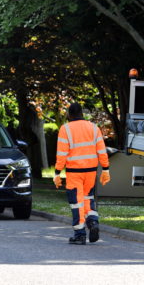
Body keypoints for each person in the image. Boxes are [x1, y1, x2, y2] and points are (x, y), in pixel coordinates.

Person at [53, 103, 110, 245]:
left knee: (76, 203)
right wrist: (105, 169)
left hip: (74, 173)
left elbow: (61, 153)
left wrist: (57, 172)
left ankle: (79, 235)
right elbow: (102, 150)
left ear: (69, 114)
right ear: (82, 113)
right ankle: (92, 222)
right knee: (87, 198)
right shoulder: (93, 128)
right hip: (90, 171)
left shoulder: (65, 129)